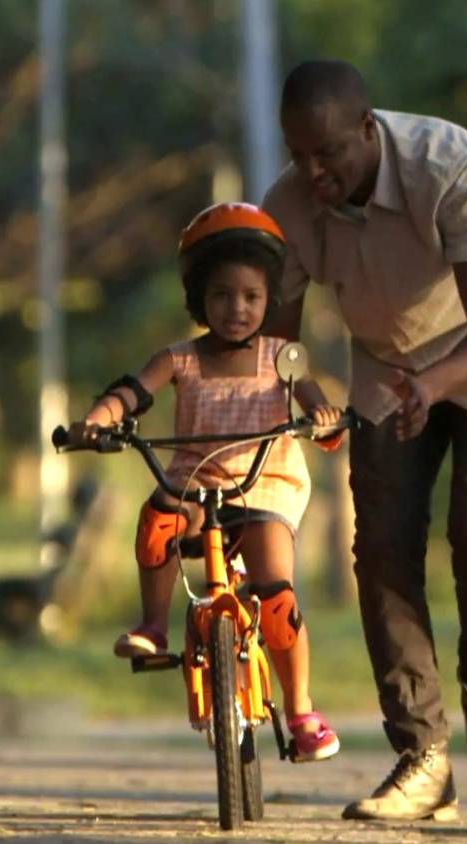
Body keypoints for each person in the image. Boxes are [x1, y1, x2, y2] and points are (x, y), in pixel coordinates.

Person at [262, 60, 467, 819]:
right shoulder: (288, 207)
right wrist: (305, 389)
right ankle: (422, 756)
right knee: (385, 546)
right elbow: (282, 340)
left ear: (367, 130)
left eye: (328, 152)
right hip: (390, 362)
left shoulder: (449, 164)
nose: (314, 171)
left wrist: (432, 391)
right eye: (299, 154)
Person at [80, 202, 343, 763]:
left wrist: (323, 420)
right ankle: (153, 624)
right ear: (199, 298)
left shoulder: (284, 356)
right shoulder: (178, 359)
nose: (237, 309)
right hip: (195, 484)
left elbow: (314, 399)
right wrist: (101, 419)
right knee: (157, 521)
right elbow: (132, 392)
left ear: (270, 297)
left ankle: (300, 711)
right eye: (221, 295)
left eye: (251, 296)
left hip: (263, 484)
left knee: (276, 593)